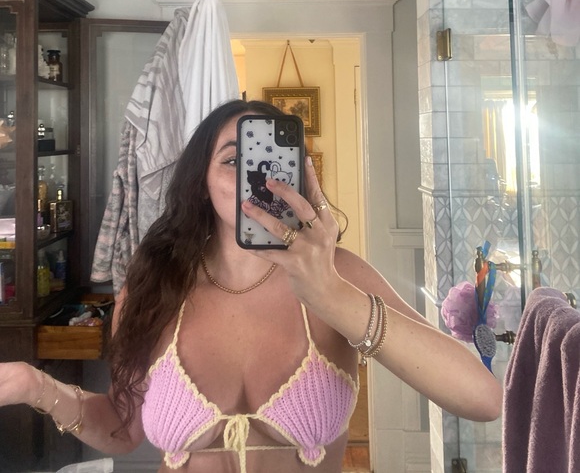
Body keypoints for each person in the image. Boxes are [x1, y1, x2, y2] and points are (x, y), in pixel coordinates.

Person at [0, 99, 502, 473]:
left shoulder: (339, 275)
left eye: (269, 161)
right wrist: (33, 385)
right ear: (201, 183)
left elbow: (483, 399)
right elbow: (121, 428)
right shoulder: (153, 286)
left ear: (299, 175)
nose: (254, 177)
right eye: (232, 160)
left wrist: (331, 295)